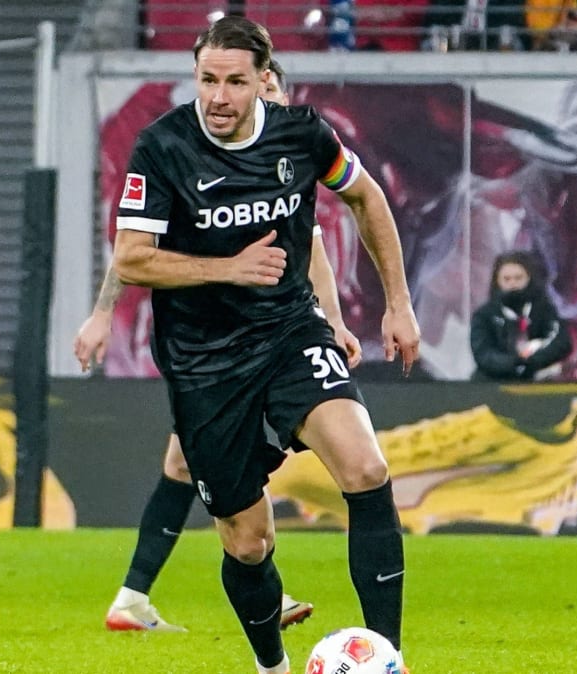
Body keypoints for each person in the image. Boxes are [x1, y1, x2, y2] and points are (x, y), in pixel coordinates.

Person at [111, 16, 419, 674]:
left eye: (234, 82)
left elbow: (366, 198)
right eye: (207, 81)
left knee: (366, 470)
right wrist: (226, 268)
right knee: (249, 542)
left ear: (262, 81)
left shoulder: (301, 134)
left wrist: (398, 303)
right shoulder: (162, 148)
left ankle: (388, 657)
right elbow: (132, 258)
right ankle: (271, 666)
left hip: (287, 333)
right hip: (205, 365)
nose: (218, 97)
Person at [75, 59, 361, 633]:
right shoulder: (188, 157)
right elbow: (134, 251)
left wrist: (333, 322)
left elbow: (314, 253)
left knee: (185, 461)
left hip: (269, 342)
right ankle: (175, 591)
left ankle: (137, 595)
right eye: (258, 89)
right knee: (192, 463)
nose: (262, 101)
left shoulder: (286, 168)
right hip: (205, 348)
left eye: (270, 91)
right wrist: (103, 314)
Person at [470, 251, 572, 381]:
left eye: (518, 278)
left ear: (528, 278)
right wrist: (515, 362)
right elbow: (483, 354)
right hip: (492, 382)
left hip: (538, 380)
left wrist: (532, 360)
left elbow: (562, 343)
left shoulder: (545, 309)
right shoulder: (484, 315)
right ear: (497, 281)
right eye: (506, 279)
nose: (513, 284)